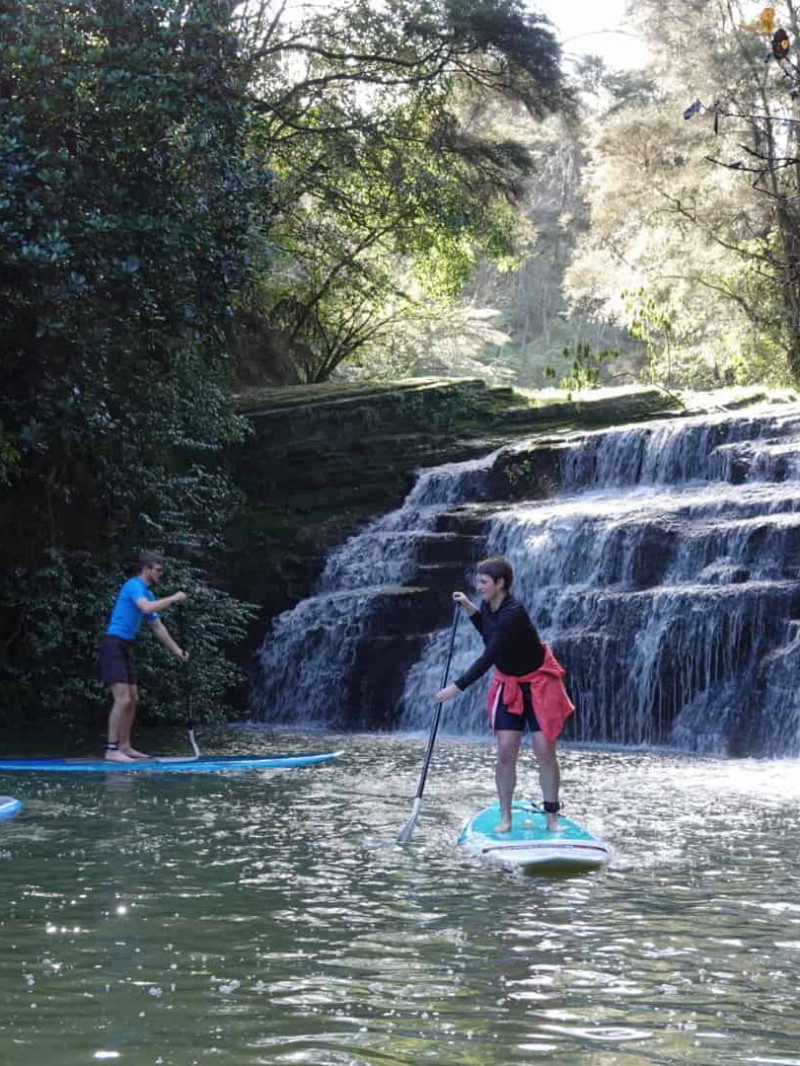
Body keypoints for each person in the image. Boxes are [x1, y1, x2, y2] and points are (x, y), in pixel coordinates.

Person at [435, 556, 574, 833]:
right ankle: (506, 817)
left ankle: (552, 817)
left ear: (501, 584)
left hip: (537, 685)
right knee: (505, 753)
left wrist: (456, 687)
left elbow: (490, 653)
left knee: (544, 752)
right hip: (508, 683)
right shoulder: (489, 605)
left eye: (484, 582)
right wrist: (468, 606)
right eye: (478, 580)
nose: (479, 585)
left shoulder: (514, 613)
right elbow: (488, 631)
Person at [98, 552, 188, 762]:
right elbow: (146, 608)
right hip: (113, 644)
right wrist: (174, 598)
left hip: (126, 646)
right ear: (146, 569)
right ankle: (111, 750)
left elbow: (157, 627)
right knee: (123, 699)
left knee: (133, 699)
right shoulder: (133, 586)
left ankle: (125, 746)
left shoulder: (148, 594)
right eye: (158, 570)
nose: (160, 574)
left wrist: (178, 651)